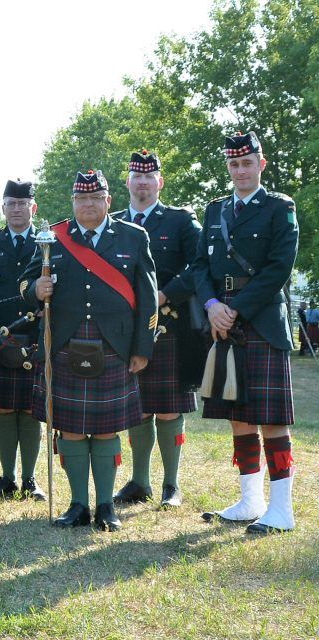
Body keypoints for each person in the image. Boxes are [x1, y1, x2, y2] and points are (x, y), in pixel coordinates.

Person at [23, 170, 157, 531]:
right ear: (73, 202)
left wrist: (142, 348)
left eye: (95, 198)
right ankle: (78, 504)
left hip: (114, 347)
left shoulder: (133, 236)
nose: (88, 205)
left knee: (106, 430)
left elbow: (147, 299)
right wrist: (36, 289)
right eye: (81, 199)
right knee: (70, 428)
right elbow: (25, 283)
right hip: (64, 345)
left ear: (108, 201)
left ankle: (106, 506)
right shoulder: (53, 237)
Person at [194, 131, 298, 534]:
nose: (240, 170)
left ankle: (282, 509)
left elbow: (279, 267)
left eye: (247, 163)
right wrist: (211, 305)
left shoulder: (279, 207)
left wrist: (235, 309)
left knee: (272, 419)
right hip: (222, 321)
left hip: (262, 322)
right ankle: (250, 500)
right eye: (234, 164)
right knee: (239, 415)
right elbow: (200, 267)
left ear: (261, 164)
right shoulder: (215, 209)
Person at [109, 150, 203, 508]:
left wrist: (166, 294)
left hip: (169, 326)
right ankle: (139, 482)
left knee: (167, 408)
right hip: (126, 331)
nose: (143, 183)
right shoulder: (114, 223)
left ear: (159, 182)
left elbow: (200, 264)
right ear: (128, 182)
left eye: (149, 177)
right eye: (137, 176)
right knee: (138, 407)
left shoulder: (180, 221)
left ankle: (171, 485)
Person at [0, 180, 45, 500]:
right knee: (2, 409)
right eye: (10, 204)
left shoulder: (47, 242)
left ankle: (30, 479)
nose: (16, 209)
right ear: (2, 208)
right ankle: (7, 478)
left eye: (22, 204)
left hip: (35, 336)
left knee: (30, 409)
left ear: (33, 207)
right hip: (0, 338)